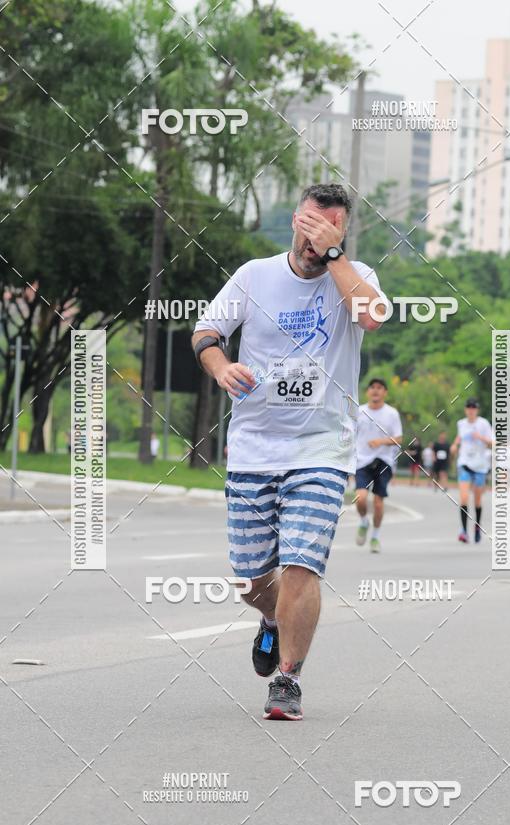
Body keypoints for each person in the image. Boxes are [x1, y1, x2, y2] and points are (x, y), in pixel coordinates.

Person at [191, 183, 387, 720]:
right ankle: (272, 618)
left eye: (328, 227)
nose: (314, 236)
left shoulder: (357, 277)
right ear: (295, 221)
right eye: (309, 223)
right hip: (253, 449)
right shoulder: (254, 276)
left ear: (341, 231)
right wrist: (220, 366)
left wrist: (335, 255)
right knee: (251, 579)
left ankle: (288, 679)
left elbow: (371, 317)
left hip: (322, 449)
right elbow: (206, 331)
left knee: (301, 563)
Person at [354, 378, 403, 553]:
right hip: (362, 461)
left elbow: (399, 439)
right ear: (368, 391)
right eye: (372, 387)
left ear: (385, 392)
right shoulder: (359, 411)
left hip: (384, 460)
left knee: (378, 503)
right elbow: (350, 434)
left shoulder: (391, 413)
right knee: (360, 498)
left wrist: (381, 442)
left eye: (380, 388)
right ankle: (363, 522)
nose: (376, 390)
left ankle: (375, 536)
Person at [450, 398, 493, 543]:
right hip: (465, 464)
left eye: (473, 408)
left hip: (480, 466)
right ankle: (463, 531)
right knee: (463, 498)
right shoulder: (461, 423)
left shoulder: (483, 424)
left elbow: (493, 443)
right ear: (465, 409)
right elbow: (459, 438)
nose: (471, 410)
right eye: (469, 407)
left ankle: (477, 526)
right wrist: (454, 445)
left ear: (477, 410)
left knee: (477, 501)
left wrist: (480, 437)